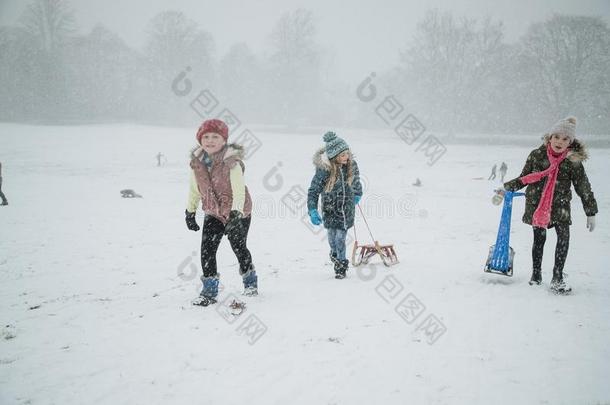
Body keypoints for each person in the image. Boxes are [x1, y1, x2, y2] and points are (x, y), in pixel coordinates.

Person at [502, 117, 597, 294]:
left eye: (565, 139)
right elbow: (525, 177)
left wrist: (590, 211)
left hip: (560, 206)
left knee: (563, 238)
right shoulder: (536, 155)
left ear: (570, 142)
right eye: (557, 137)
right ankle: (536, 275)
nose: (560, 142)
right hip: (538, 205)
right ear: (550, 137)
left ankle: (557, 277)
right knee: (539, 239)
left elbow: (583, 186)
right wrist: (507, 188)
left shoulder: (572, 161)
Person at [185, 119, 256, 306]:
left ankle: (250, 281)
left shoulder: (232, 161)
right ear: (200, 139)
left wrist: (235, 214)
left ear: (223, 140)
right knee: (207, 250)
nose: (210, 140)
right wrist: (190, 211)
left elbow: (239, 190)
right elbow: (194, 188)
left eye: (215, 136)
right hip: (214, 212)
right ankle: (209, 291)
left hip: (237, 211)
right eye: (205, 137)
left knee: (238, 247)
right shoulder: (197, 162)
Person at [307, 131, 363, 279]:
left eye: (347, 153)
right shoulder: (325, 170)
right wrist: (312, 209)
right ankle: (335, 254)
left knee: (340, 238)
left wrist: (357, 194)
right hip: (330, 210)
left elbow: (356, 181)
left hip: (346, 210)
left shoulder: (351, 166)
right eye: (343, 155)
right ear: (334, 156)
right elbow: (313, 190)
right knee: (332, 239)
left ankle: (340, 266)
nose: (347, 157)